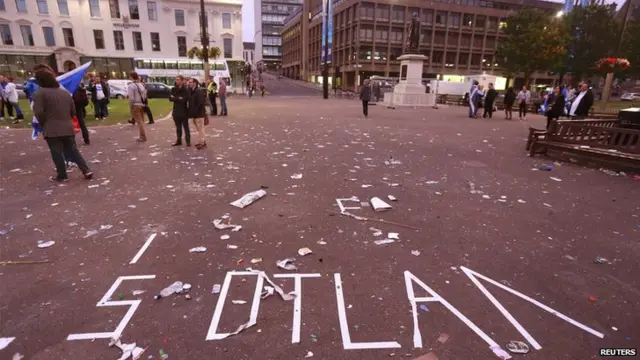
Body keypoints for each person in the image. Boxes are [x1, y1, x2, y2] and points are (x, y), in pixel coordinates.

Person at [32, 68, 93, 182]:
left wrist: (43, 122)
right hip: (67, 126)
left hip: (51, 127)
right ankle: (86, 170)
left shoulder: (40, 93)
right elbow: (73, 112)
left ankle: (62, 175)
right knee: (73, 150)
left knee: (56, 152)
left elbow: (38, 112)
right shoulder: (65, 93)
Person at [170, 75, 190, 147]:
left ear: (182, 81)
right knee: (178, 128)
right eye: (176, 79)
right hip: (176, 111)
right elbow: (170, 98)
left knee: (186, 127)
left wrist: (175, 98)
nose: (177, 81)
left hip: (184, 111)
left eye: (178, 80)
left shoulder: (185, 90)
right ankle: (179, 140)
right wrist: (178, 98)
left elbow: (185, 99)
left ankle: (188, 141)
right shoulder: (173, 89)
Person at [127, 72, 148, 142]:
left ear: (131, 77)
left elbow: (131, 98)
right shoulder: (141, 85)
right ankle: (142, 135)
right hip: (141, 104)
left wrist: (130, 106)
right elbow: (145, 95)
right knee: (142, 121)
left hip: (135, 105)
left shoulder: (131, 86)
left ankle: (143, 136)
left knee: (139, 122)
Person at [187, 78, 207, 149]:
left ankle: (202, 142)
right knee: (199, 128)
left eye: (190, 82)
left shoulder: (198, 91)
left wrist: (195, 111)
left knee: (200, 128)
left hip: (199, 113)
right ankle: (202, 141)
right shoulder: (192, 90)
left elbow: (200, 103)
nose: (189, 83)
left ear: (194, 83)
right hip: (195, 114)